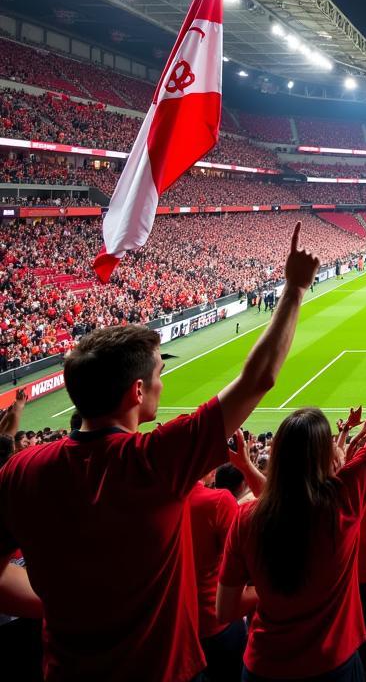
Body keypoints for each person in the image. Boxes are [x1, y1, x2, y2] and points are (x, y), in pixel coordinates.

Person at [0, 222, 320, 682]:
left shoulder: (20, 470)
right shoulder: (154, 462)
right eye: (156, 375)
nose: (161, 383)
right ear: (135, 391)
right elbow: (259, 378)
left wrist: (60, 606)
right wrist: (294, 289)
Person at [217, 303, 366, 682]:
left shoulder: (248, 517)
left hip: (262, 666)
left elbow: (225, 608)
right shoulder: (344, 498)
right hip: (332, 664)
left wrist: (273, 595)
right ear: (327, 455)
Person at [189, 448, 245, 682]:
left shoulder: (154, 499)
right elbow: (245, 560)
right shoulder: (218, 502)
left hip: (177, 628)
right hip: (216, 622)